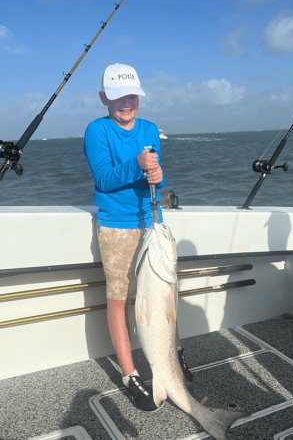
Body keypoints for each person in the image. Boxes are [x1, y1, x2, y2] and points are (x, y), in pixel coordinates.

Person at [84, 63, 193, 412]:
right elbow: (103, 179)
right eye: (117, 97)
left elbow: (155, 179)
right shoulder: (96, 130)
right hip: (116, 226)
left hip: (152, 222)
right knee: (119, 298)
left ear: (139, 96)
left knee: (166, 296)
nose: (125, 103)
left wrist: (158, 174)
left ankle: (173, 356)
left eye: (131, 95)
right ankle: (130, 374)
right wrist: (139, 163)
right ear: (104, 98)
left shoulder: (148, 128)